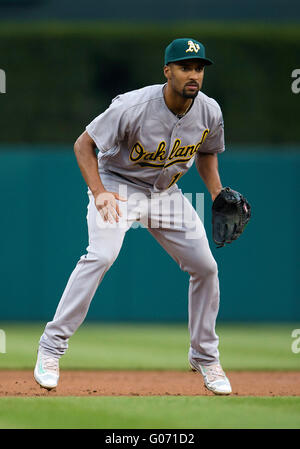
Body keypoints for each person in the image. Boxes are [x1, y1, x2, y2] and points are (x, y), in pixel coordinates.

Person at [34, 38, 232, 395]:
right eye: (186, 67)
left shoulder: (210, 111)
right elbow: (84, 145)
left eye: (199, 68)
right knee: (101, 255)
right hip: (119, 186)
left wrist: (216, 192)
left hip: (167, 194)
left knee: (206, 267)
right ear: (167, 71)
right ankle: (50, 348)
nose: (194, 75)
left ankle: (204, 356)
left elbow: (206, 153)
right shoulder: (133, 105)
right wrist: (100, 193)